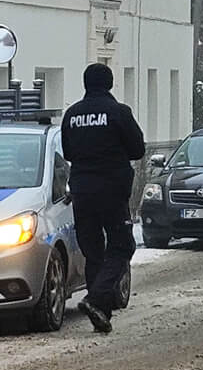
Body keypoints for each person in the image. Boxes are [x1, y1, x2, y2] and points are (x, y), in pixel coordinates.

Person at [60, 63, 145, 333]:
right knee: (121, 246)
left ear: (85, 84)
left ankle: (101, 311)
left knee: (93, 248)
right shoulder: (119, 113)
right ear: (109, 84)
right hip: (112, 189)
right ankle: (96, 299)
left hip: (82, 190)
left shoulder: (72, 115)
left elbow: (69, 152)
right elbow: (137, 149)